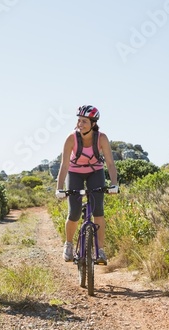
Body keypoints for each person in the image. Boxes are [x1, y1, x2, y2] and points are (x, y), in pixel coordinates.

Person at [55, 105, 118, 265]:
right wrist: (59, 188)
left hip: (95, 172)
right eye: (79, 121)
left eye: (84, 121)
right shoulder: (71, 138)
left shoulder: (101, 138)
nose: (80, 124)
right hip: (74, 173)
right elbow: (64, 165)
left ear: (93, 123)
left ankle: (101, 251)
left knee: (98, 212)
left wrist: (114, 184)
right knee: (74, 212)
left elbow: (110, 164)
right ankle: (68, 245)